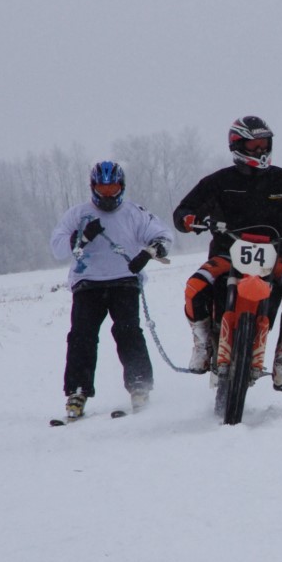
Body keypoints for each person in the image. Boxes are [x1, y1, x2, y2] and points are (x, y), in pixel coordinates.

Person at [173, 115, 282, 393]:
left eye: (264, 144)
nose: (260, 150)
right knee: (195, 286)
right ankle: (203, 344)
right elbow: (184, 209)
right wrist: (188, 219)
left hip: (273, 259)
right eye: (254, 145)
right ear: (237, 145)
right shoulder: (219, 181)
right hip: (225, 257)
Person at [50, 161, 173, 419]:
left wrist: (149, 252)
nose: (107, 194)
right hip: (87, 284)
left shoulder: (134, 213)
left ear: (122, 187)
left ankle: (139, 386)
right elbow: (57, 247)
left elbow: (163, 235)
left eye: (113, 188)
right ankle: (77, 391)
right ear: (93, 187)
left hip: (124, 282)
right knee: (82, 336)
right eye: (102, 189)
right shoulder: (77, 214)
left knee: (128, 332)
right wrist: (80, 237)